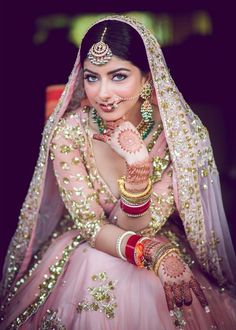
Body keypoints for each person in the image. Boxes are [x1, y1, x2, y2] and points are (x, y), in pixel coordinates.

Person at [0, 15, 236, 330]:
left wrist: (139, 167)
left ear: (148, 78)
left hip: (151, 232)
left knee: (148, 285)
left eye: (118, 76)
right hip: (88, 242)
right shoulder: (69, 132)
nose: (103, 93)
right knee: (103, 268)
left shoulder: (177, 138)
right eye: (92, 77)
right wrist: (152, 251)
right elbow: (90, 224)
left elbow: (139, 225)